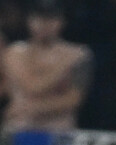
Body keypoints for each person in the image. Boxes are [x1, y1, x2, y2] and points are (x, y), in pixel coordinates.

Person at [2, 0, 93, 132]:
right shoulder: (14, 52)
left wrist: (32, 108)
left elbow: (74, 99)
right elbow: (31, 86)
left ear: (62, 21)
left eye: (51, 18)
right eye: (38, 18)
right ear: (28, 20)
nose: (44, 24)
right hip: (20, 128)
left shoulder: (78, 54)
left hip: (59, 130)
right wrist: (65, 65)